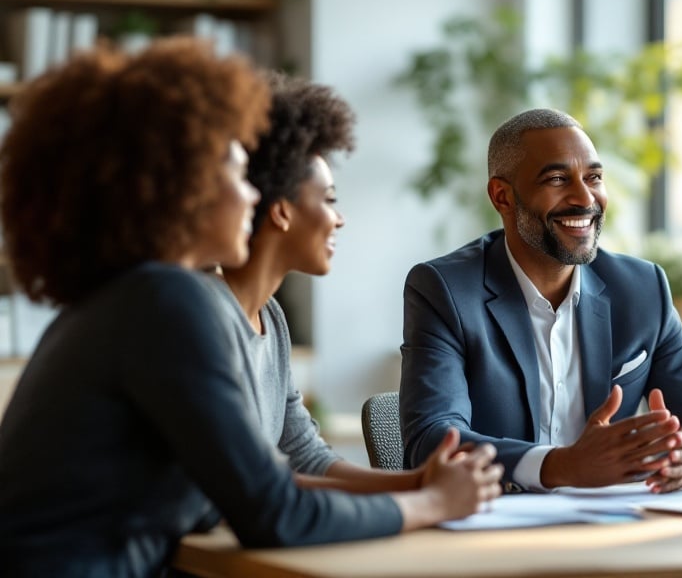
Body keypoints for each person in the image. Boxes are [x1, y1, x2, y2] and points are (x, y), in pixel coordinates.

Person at [0, 39, 501, 578]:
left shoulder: (137, 297)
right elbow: (275, 514)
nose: (251, 197)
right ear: (182, 183)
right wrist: (434, 505)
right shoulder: (164, 301)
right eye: (239, 176)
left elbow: (260, 483)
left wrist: (422, 487)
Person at [400, 108, 682, 493]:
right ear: (503, 196)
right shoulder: (445, 289)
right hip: (493, 528)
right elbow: (433, 441)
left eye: (594, 177)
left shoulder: (642, 289)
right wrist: (561, 466)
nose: (585, 198)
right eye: (556, 179)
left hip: (609, 527)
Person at [214, 72, 459, 494]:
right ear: (281, 211)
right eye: (328, 200)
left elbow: (306, 456)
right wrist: (424, 501)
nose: (339, 218)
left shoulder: (271, 319)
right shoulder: (207, 315)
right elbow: (251, 485)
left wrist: (418, 483)